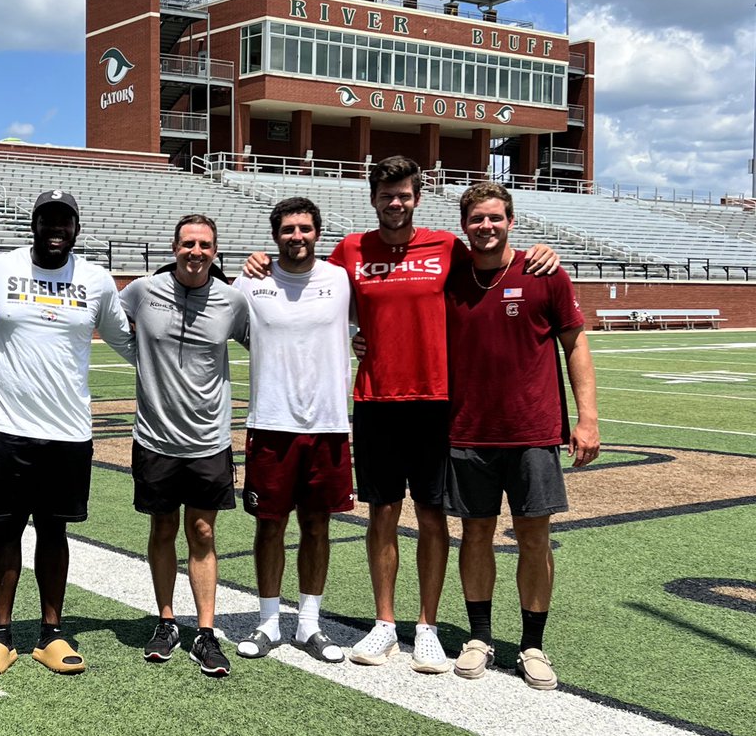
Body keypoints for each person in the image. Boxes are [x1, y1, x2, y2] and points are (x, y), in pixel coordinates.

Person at [244, 156, 556, 673]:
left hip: (436, 402)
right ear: (373, 199)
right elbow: (308, 286)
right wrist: (262, 261)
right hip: (374, 402)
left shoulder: (447, 247)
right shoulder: (350, 250)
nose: (396, 203)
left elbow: (493, 262)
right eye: (387, 195)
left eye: (405, 195)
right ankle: (385, 623)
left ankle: (427, 626)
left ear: (416, 198)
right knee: (382, 514)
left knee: (433, 516)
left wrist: (536, 255)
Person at [0, 189, 135, 677]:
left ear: (76, 228)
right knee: (6, 528)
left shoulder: (96, 280)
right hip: (4, 426)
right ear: (33, 224)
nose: (56, 229)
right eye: (47, 220)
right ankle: (0, 635)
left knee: (54, 531)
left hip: (68, 429)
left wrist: (173, 366)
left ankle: (51, 633)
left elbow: (126, 341)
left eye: (65, 221)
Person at [443, 182, 598, 690]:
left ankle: (532, 644)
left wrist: (587, 417)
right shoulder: (450, 277)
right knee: (476, 534)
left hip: (532, 431)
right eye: (476, 219)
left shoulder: (543, 272)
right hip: (468, 429)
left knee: (534, 538)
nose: (485, 227)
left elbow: (575, 344)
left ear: (510, 220)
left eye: (494, 218)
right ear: (464, 225)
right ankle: (479, 636)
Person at [120, 214, 249, 677]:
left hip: (208, 439)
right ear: (173, 248)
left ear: (215, 251)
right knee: (161, 529)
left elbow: (265, 343)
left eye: (205, 244)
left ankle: (206, 632)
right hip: (154, 437)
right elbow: (109, 319)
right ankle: (166, 620)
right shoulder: (140, 291)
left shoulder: (232, 301)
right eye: (188, 243)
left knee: (203, 532)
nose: (196, 251)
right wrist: (138, 358)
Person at [231, 197, 352, 664]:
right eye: (287, 230)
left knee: (317, 526)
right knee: (269, 526)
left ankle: (309, 624)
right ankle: (267, 623)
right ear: (274, 235)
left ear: (317, 233)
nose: (296, 237)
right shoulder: (250, 282)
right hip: (271, 423)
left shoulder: (340, 279)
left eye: (304, 228)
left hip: (328, 425)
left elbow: (369, 322)